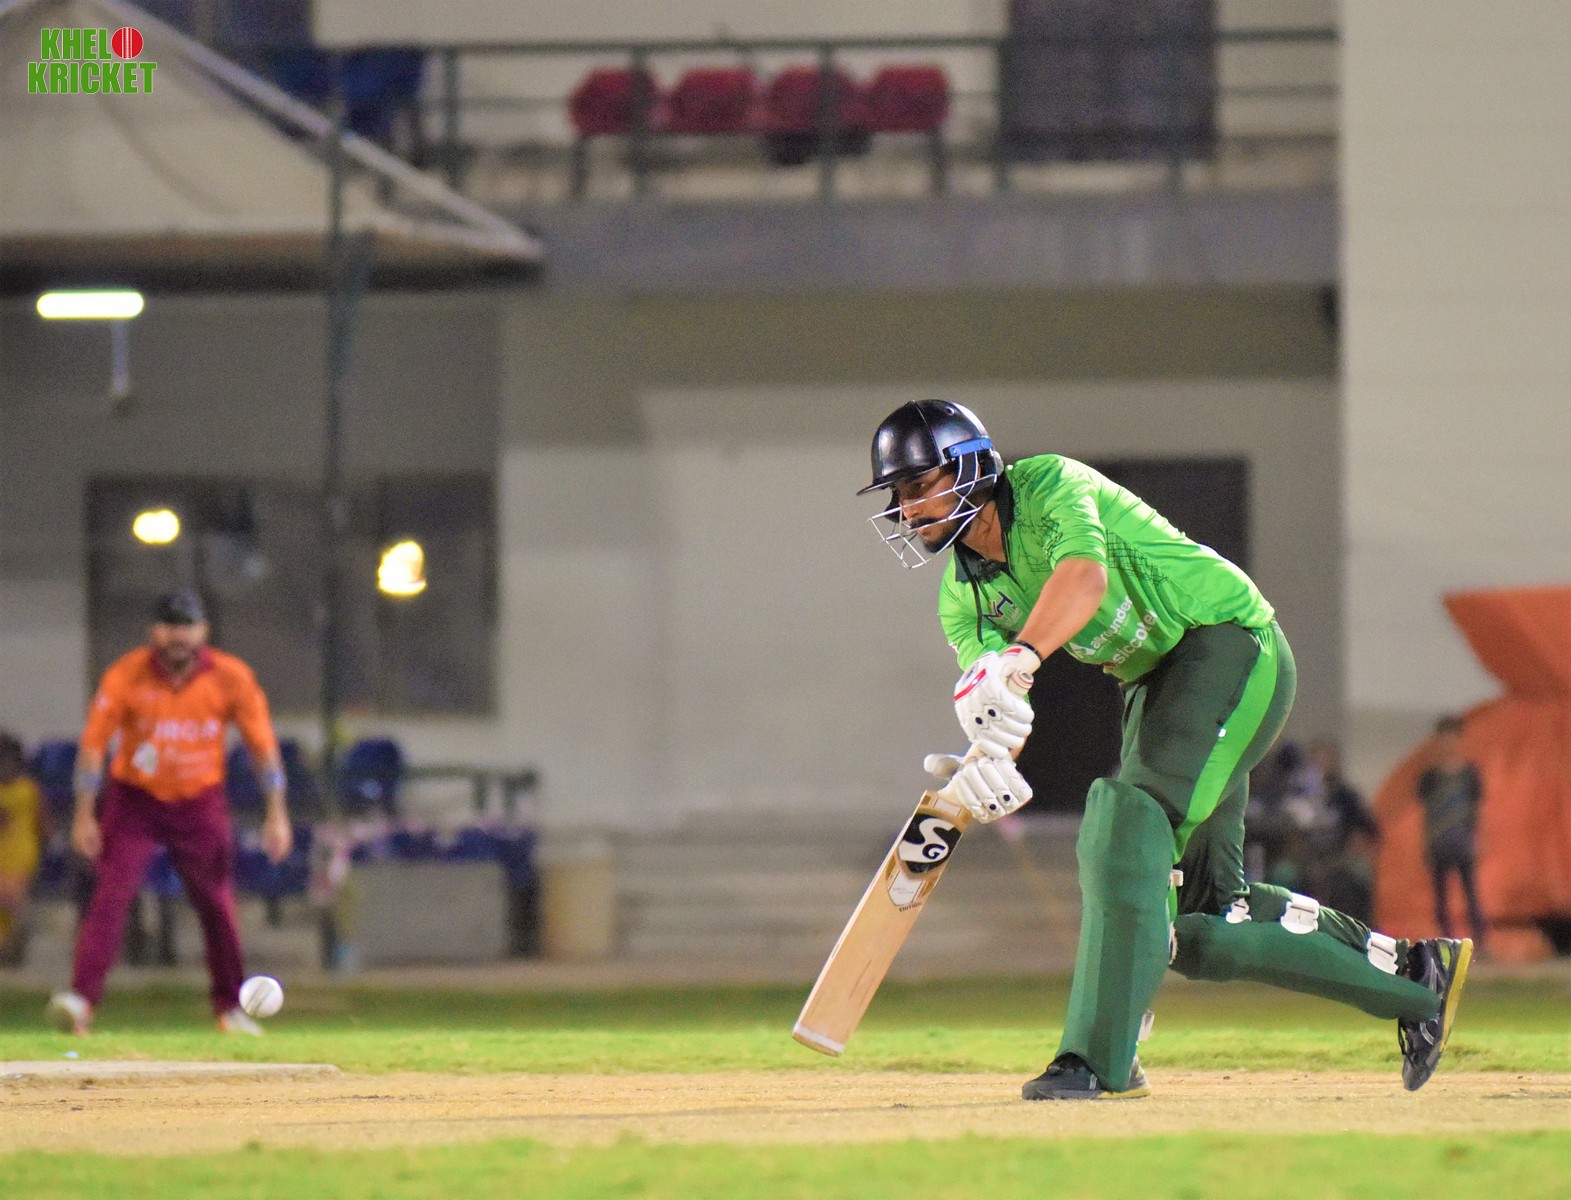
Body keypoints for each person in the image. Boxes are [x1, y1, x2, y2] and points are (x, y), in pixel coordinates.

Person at [859, 399, 1471, 1098]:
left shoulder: (1048, 484)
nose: (907, 511)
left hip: (1226, 642)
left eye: (918, 487)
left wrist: (1021, 656)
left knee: (1125, 828)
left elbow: (1081, 579)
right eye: (898, 496)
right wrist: (986, 758)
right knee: (1205, 923)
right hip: (1154, 684)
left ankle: (1099, 1057)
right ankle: (1416, 981)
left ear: (969, 468)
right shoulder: (959, 599)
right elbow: (1000, 702)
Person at [45, 589, 293, 1035]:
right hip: (135, 799)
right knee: (111, 896)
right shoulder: (127, 674)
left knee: (215, 902)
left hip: (200, 801)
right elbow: (94, 745)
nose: (178, 636)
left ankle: (230, 1008)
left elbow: (263, 748)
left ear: (203, 631)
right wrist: (84, 813)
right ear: (153, 632)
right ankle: (81, 1001)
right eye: (169, 626)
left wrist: (277, 813)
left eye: (187, 626)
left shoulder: (230, 677)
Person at [1416, 715, 1488, 955]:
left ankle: (1481, 944)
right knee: (1441, 898)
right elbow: (1425, 812)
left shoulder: (1469, 774)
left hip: (1463, 842)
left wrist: (1479, 839)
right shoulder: (1430, 776)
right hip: (1439, 842)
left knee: (1471, 895)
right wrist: (1425, 842)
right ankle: (1446, 945)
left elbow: (1477, 810)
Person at [0, 732, 47, 966]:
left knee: (12, 901)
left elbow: (44, 824)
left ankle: (14, 949)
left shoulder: (29, 790)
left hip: (22, 856)